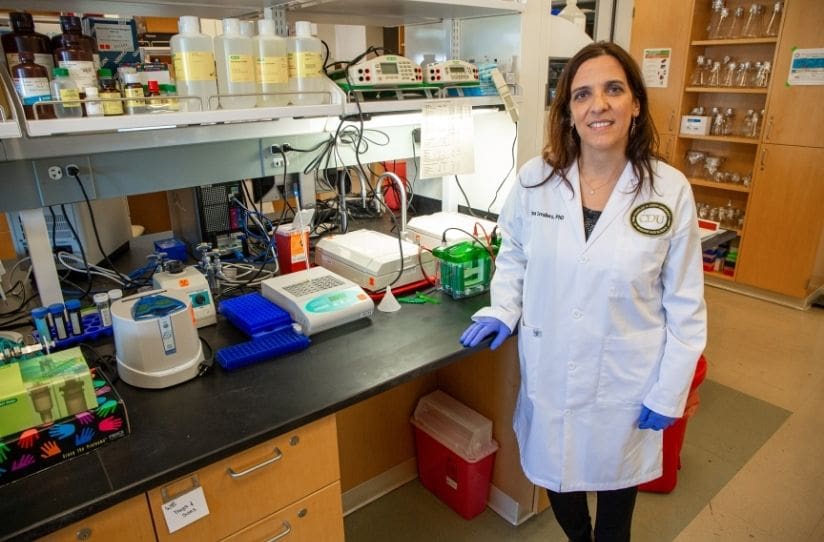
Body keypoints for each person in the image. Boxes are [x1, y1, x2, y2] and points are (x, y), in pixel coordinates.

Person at [460, 41, 707, 542]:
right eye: (582, 95)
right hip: (551, 368)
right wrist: (503, 308)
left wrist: (670, 388)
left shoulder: (670, 189)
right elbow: (514, 256)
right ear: (568, 111)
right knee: (557, 475)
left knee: (617, 499)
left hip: (627, 380)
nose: (599, 105)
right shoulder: (536, 180)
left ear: (635, 102)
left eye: (614, 89)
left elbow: (685, 303)